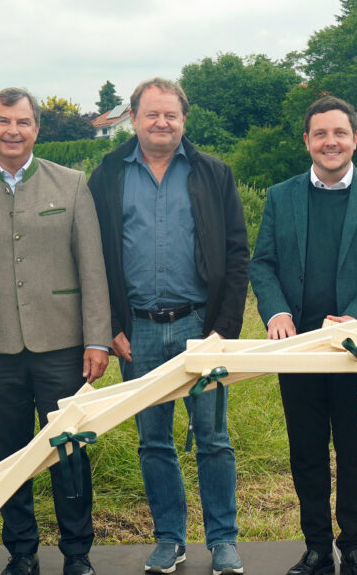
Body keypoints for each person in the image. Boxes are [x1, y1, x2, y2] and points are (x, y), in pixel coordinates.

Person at [0, 87, 111, 575]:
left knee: (69, 451)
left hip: (63, 343)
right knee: (10, 455)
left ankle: (77, 553)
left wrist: (97, 338)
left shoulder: (72, 184)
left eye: (22, 122)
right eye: (2, 121)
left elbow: (92, 268)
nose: (12, 131)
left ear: (37, 127)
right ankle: (22, 552)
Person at [88, 78, 249, 575]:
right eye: (152, 114)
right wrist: (110, 324)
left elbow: (237, 252)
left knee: (213, 438)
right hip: (135, 330)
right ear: (133, 118)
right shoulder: (108, 174)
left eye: (171, 115)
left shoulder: (212, 173)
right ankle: (169, 539)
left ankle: (222, 540)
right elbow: (94, 257)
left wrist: (224, 327)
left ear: (184, 119)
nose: (162, 123)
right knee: (153, 440)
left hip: (200, 327)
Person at [249, 95, 357, 575]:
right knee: (307, 451)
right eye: (320, 134)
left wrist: (354, 318)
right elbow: (263, 263)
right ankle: (316, 548)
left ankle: (354, 547)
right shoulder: (282, 196)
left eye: (339, 133)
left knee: (355, 453)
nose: (330, 142)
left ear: (355, 138)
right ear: (307, 142)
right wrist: (275, 312)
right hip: (297, 350)